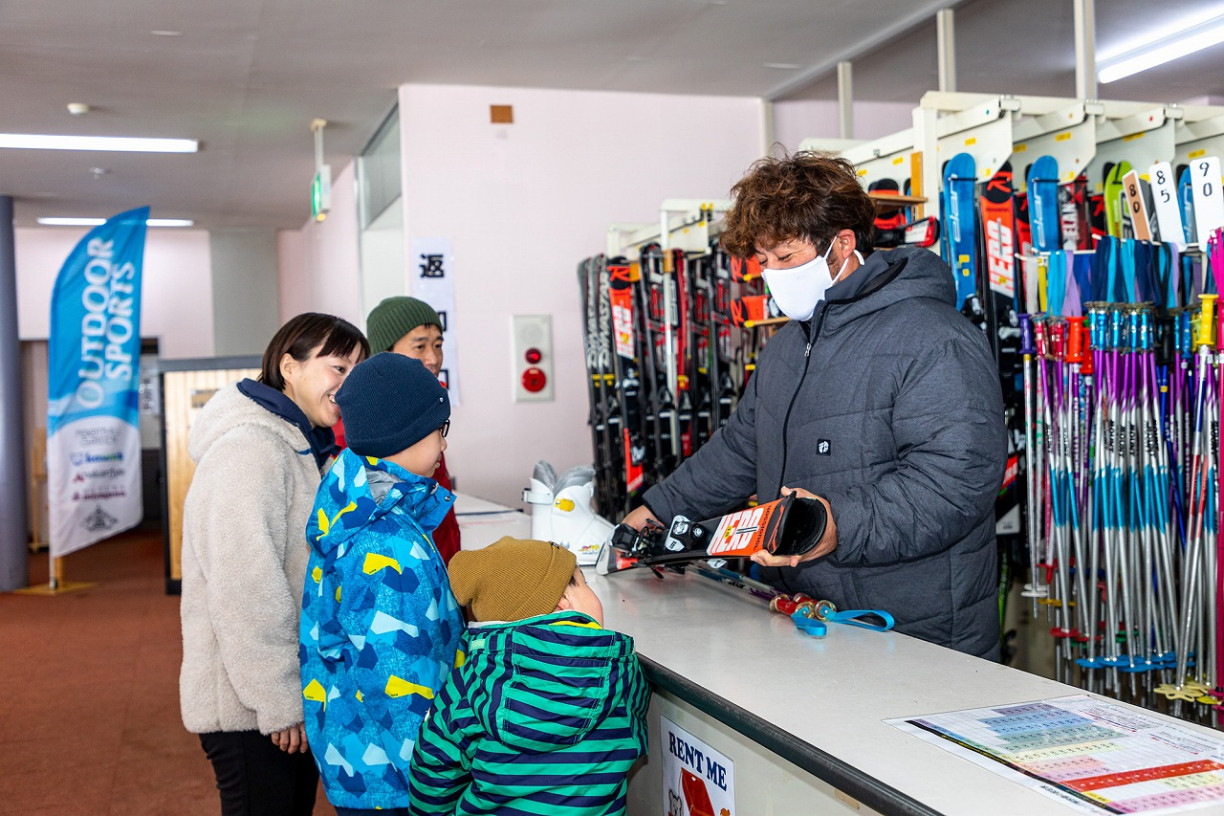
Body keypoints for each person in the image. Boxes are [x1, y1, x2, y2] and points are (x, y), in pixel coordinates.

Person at [623, 151, 1007, 660]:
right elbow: (741, 448)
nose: (772, 274)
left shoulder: (934, 338)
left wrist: (836, 524)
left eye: (785, 258)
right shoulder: (788, 345)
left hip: (917, 631)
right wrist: (653, 513)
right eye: (763, 261)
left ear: (843, 243)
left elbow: (956, 482)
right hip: (809, 615)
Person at [179, 312, 369, 816]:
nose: (348, 385)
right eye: (338, 369)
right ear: (289, 366)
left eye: (358, 371)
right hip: (251, 708)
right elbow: (246, 588)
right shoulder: (251, 451)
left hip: (284, 697)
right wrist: (282, 700)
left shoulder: (304, 446)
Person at [300, 352, 466, 816]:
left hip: (367, 758)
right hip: (397, 779)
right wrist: (437, 783)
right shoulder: (385, 547)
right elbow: (397, 681)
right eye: (440, 431)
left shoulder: (361, 505)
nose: (443, 447)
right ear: (406, 434)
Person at [406, 537, 650, 816]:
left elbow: (434, 763)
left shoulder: (470, 683)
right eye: (586, 583)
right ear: (564, 601)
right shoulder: (621, 671)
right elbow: (637, 735)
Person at [365, 295, 461, 563]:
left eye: (438, 345)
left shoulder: (431, 403)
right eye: (419, 346)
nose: (432, 358)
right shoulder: (368, 418)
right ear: (385, 353)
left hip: (440, 560)